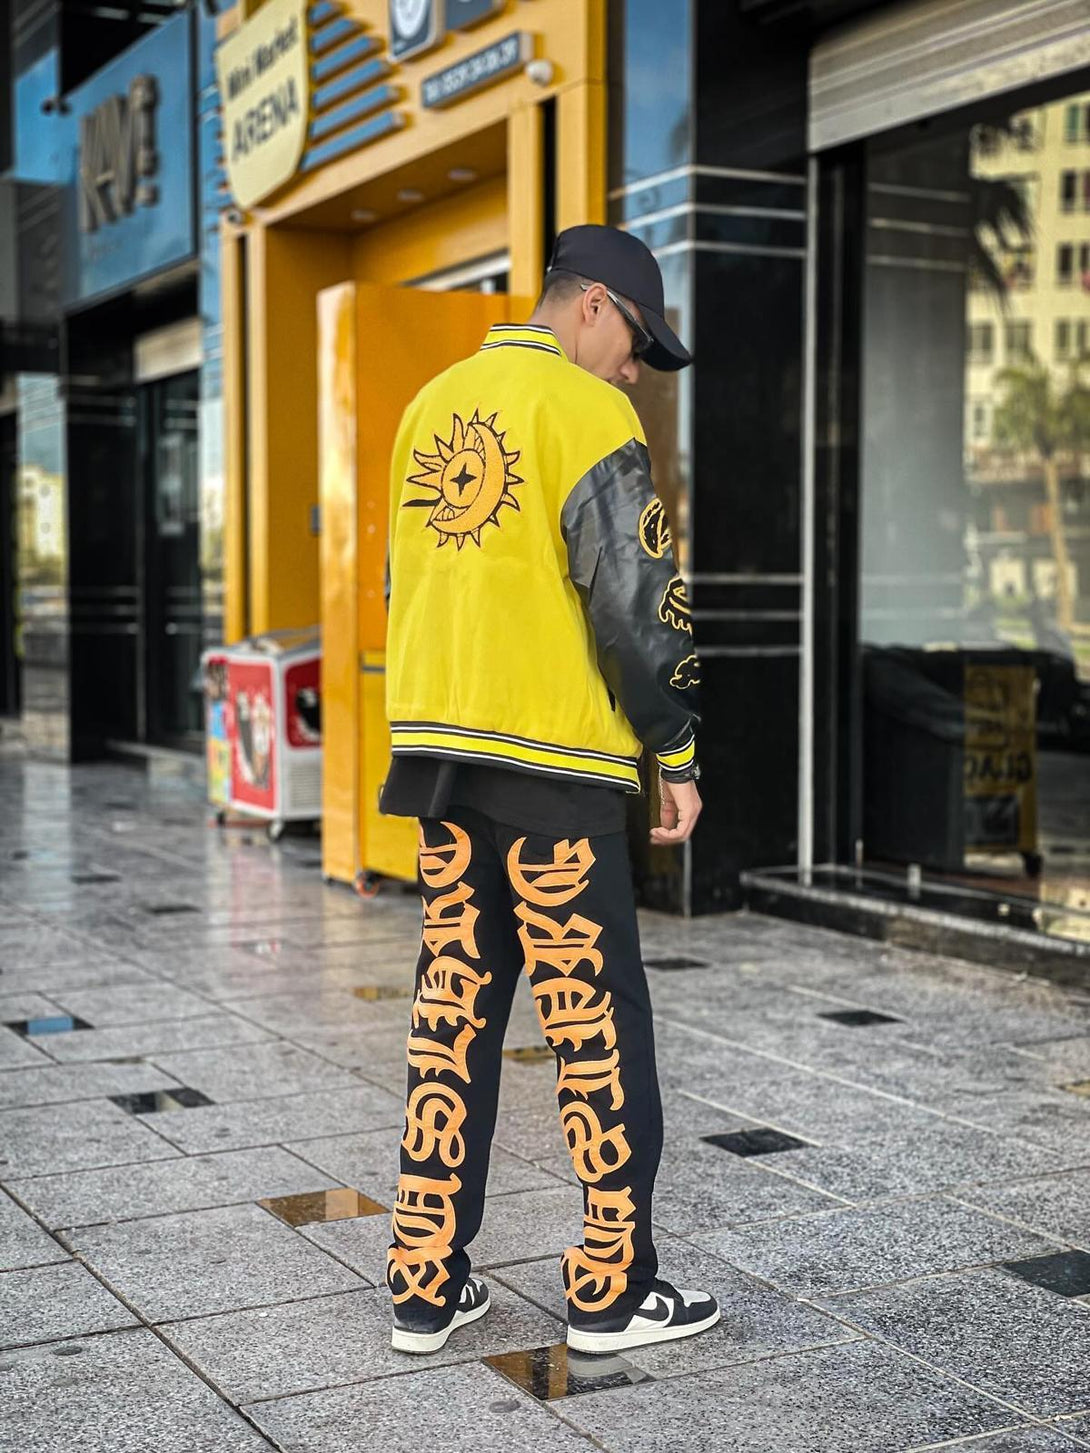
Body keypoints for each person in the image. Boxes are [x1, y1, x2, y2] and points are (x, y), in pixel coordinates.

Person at [381, 224, 718, 1356]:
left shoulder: (430, 403)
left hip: (441, 767)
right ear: (591, 308)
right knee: (594, 1032)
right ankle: (611, 1291)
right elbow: (636, 608)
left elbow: (408, 585)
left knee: (452, 1019)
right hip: (555, 781)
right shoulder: (586, 414)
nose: (633, 370)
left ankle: (423, 1286)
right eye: (634, 343)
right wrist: (674, 752)